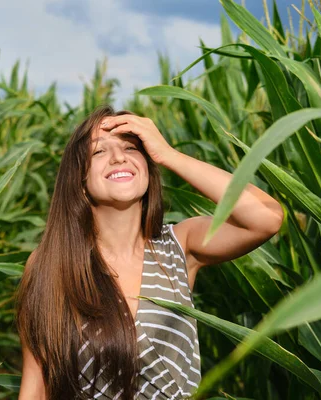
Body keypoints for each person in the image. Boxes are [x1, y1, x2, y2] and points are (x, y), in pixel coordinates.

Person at [15, 105, 284, 399]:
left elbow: (267, 218)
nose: (118, 157)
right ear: (78, 183)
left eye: (131, 148)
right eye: (98, 152)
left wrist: (170, 155)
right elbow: (37, 385)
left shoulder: (180, 246)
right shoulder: (51, 264)